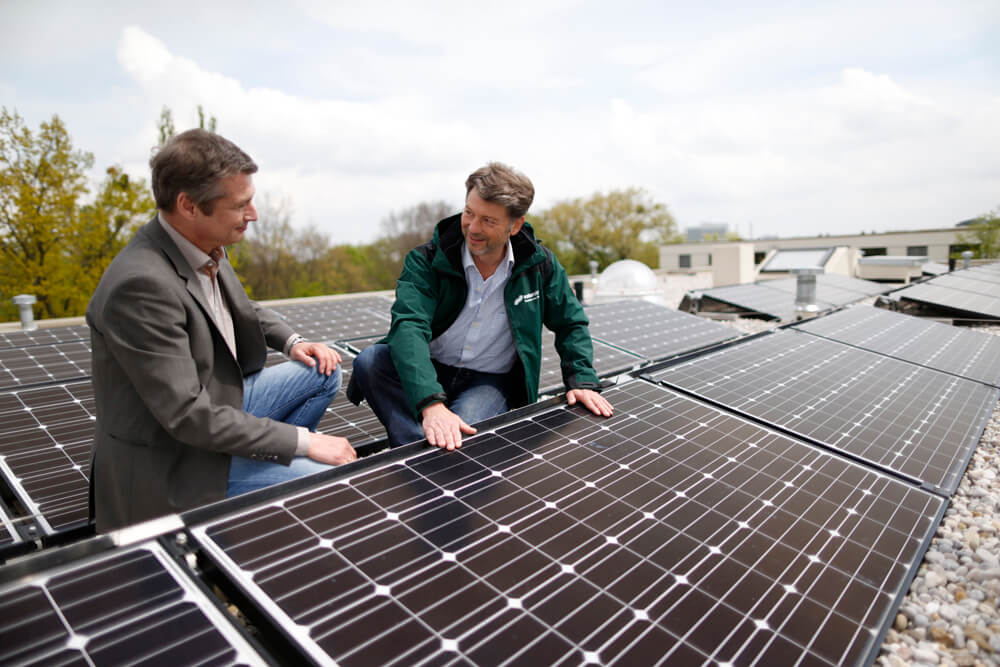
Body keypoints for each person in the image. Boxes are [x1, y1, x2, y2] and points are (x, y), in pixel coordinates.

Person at [86, 129, 355, 532]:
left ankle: (259, 461)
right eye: (241, 205)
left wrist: (293, 342)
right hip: (176, 461)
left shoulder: (203, 243)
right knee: (321, 476)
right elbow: (188, 416)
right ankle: (263, 482)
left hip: (216, 406)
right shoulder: (141, 287)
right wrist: (304, 442)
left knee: (322, 371)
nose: (254, 215)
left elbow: (241, 308)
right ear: (189, 206)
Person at [349, 162, 613, 449]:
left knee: (462, 438)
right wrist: (430, 403)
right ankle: (419, 452)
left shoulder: (539, 267)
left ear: (515, 225)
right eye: (469, 213)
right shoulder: (428, 260)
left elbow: (570, 322)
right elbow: (408, 327)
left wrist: (581, 380)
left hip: (488, 381)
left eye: (488, 220)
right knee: (370, 361)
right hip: (430, 366)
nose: (473, 228)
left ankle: (423, 453)